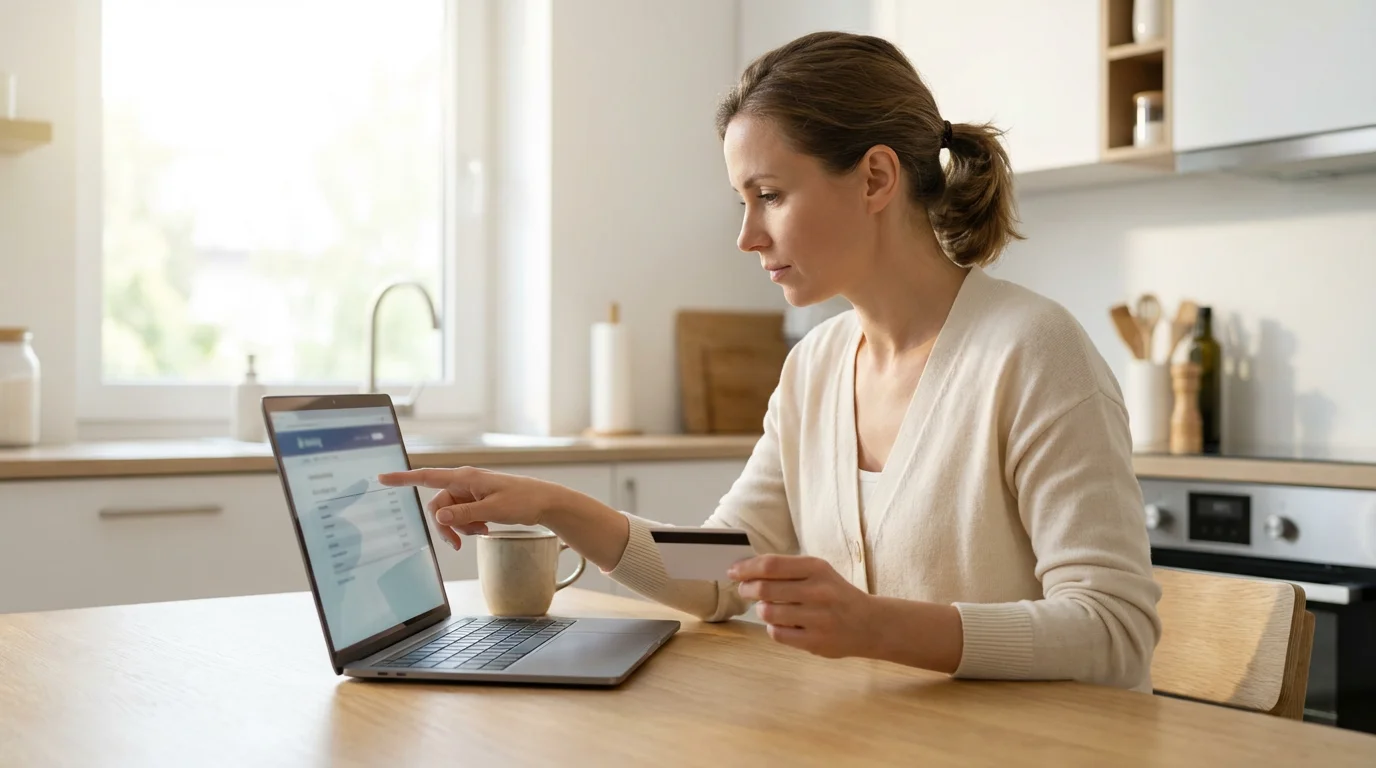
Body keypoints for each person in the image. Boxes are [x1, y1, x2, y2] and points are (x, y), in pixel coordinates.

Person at [380, 31, 1161, 691]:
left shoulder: (1032, 351)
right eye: (742, 202)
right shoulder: (817, 367)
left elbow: (1114, 630)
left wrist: (874, 626)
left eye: (770, 195)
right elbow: (724, 569)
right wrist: (555, 506)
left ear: (876, 178)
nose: (746, 235)